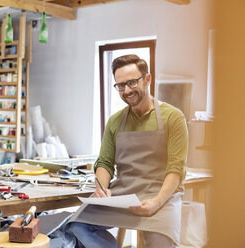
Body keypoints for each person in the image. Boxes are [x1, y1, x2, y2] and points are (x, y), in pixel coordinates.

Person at [66, 55, 188, 248]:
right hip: (123, 194)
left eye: (132, 82)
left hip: (161, 197)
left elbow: (176, 168)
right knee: (77, 227)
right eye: (120, 86)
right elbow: (105, 162)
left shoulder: (173, 117)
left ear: (147, 79)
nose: (127, 91)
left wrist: (156, 202)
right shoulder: (115, 121)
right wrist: (102, 189)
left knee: (160, 243)